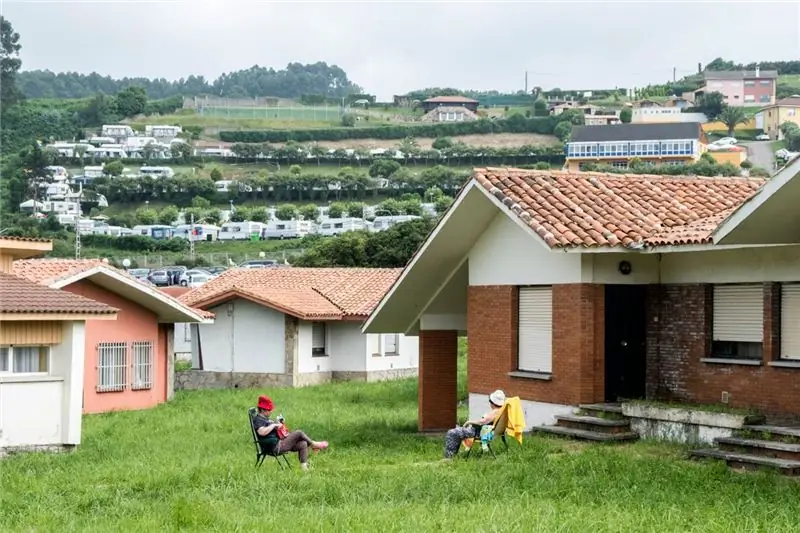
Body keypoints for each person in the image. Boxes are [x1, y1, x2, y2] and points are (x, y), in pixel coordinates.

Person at [252, 395, 328, 470]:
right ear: (262, 410)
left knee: (303, 443)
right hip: (275, 447)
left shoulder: (265, 418)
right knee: (299, 433)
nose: (271, 411)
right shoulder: (258, 420)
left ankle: (304, 469)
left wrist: (278, 423)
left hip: (279, 442)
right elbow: (261, 432)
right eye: (269, 410)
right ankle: (314, 444)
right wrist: (273, 425)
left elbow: (270, 427)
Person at [443, 389, 505, 459]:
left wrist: (469, 422)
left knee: (452, 432)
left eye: (490, 401)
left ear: (492, 402)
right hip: (482, 431)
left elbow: (482, 422)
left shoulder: (495, 412)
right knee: (455, 428)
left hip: (477, 432)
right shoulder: (500, 411)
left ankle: (448, 458)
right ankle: (453, 454)